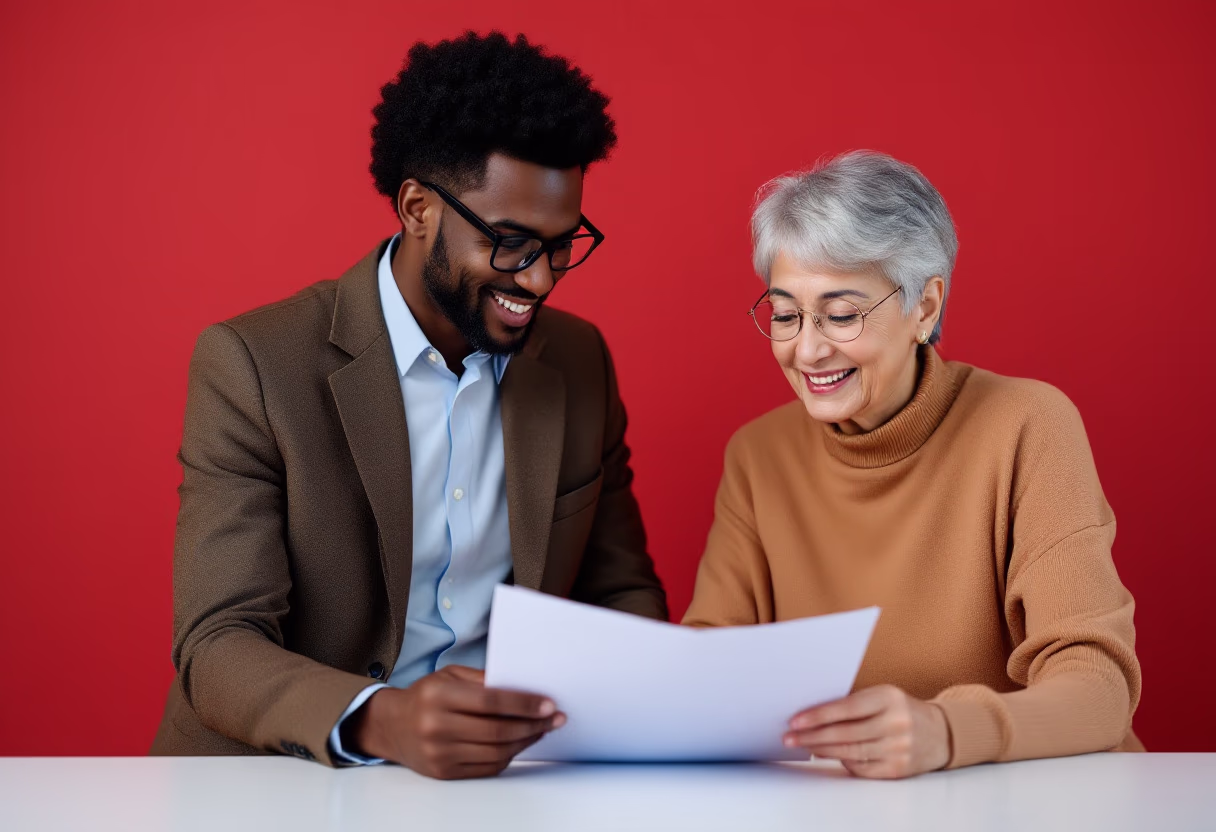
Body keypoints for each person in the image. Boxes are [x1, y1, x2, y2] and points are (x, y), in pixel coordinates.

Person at [150, 31, 667, 778]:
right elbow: (218, 641)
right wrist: (383, 719)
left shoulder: (579, 361)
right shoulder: (256, 364)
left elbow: (617, 590)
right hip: (282, 778)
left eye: (562, 245)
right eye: (513, 243)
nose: (542, 281)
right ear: (418, 207)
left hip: (509, 783)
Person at [683, 150, 1141, 779]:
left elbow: (1099, 689)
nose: (808, 349)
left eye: (842, 315)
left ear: (924, 308)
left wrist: (946, 732)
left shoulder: (1027, 424)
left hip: (1027, 801)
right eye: (786, 315)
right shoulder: (758, 455)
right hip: (845, 808)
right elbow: (711, 663)